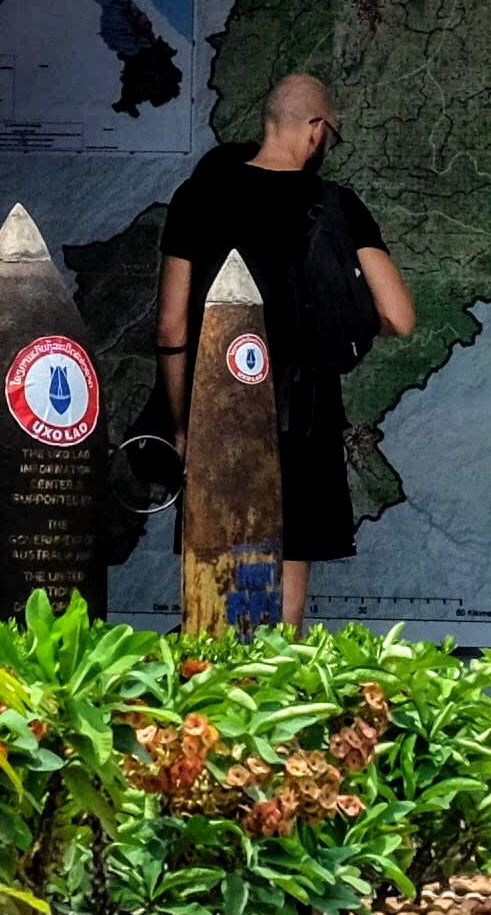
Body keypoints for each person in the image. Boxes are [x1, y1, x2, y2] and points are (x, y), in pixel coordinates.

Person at [155, 74, 417, 619]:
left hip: (218, 413)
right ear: (317, 129)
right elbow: (398, 315)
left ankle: (209, 694)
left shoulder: (198, 198)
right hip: (306, 418)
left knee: (214, 584)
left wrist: (182, 427)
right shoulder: (336, 204)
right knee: (288, 582)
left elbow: (173, 328)